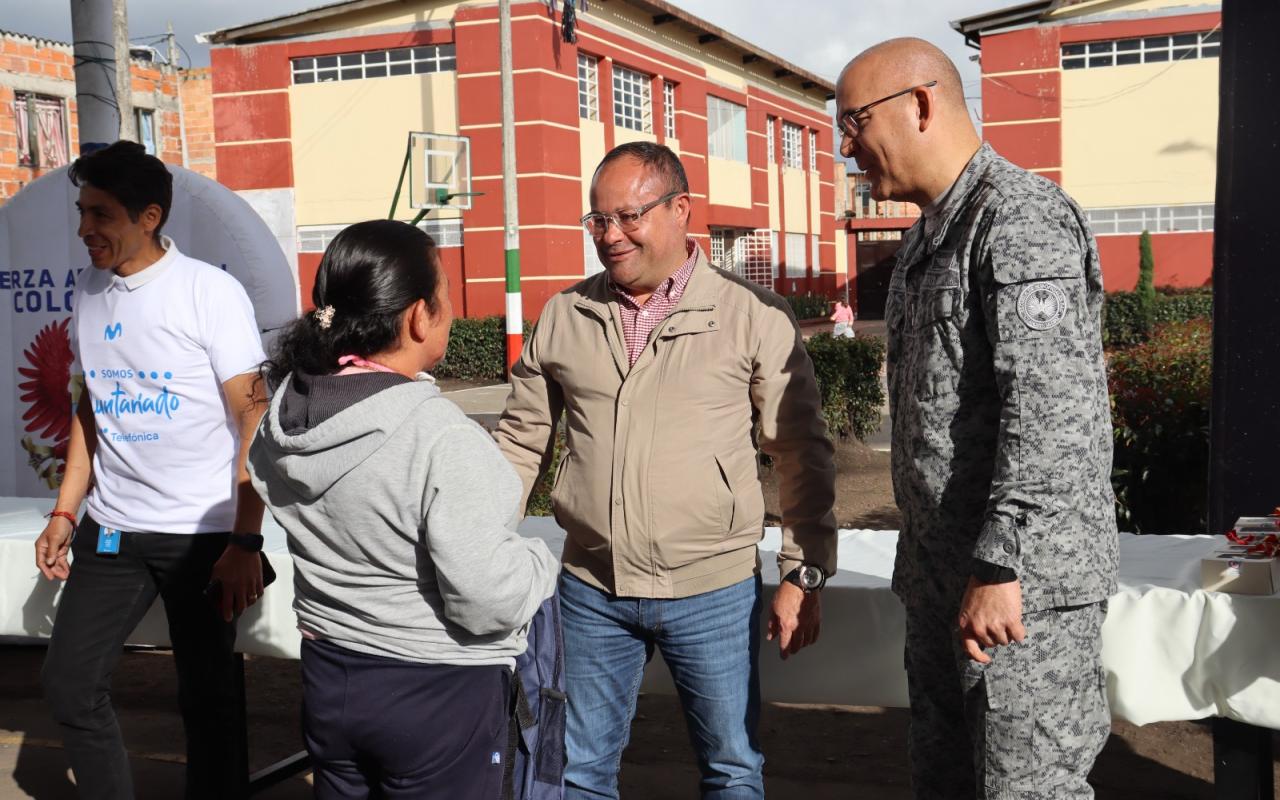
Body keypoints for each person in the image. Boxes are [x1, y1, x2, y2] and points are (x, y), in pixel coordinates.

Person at [495, 141, 837, 799]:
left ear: (682, 211)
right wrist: (476, 546)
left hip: (715, 590)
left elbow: (802, 451)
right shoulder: (566, 314)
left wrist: (804, 571)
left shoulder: (752, 315)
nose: (611, 236)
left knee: (733, 769)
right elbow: (518, 443)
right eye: (598, 220)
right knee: (576, 770)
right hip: (591, 588)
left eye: (629, 216)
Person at [837, 39, 1118, 798]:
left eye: (855, 121)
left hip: (1019, 594)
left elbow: (1054, 415)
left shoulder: (1017, 219)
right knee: (947, 781)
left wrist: (1002, 566)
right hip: (944, 581)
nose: (846, 146)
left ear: (921, 103)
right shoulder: (930, 236)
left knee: (1025, 788)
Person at [248, 219, 559, 799]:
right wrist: (540, 564)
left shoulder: (288, 414)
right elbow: (487, 601)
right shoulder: (437, 435)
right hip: (433, 695)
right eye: (443, 293)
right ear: (419, 315)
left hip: (329, 678)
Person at [34, 140, 268, 799]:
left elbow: (255, 420)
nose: (85, 229)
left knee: (209, 699)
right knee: (69, 683)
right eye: (82, 212)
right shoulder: (88, 291)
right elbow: (93, 407)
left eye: (101, 214)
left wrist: (244, 539)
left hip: (202, 535)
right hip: (112, 529)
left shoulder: (208, 292)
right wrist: (64, 510)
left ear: (149, 217)